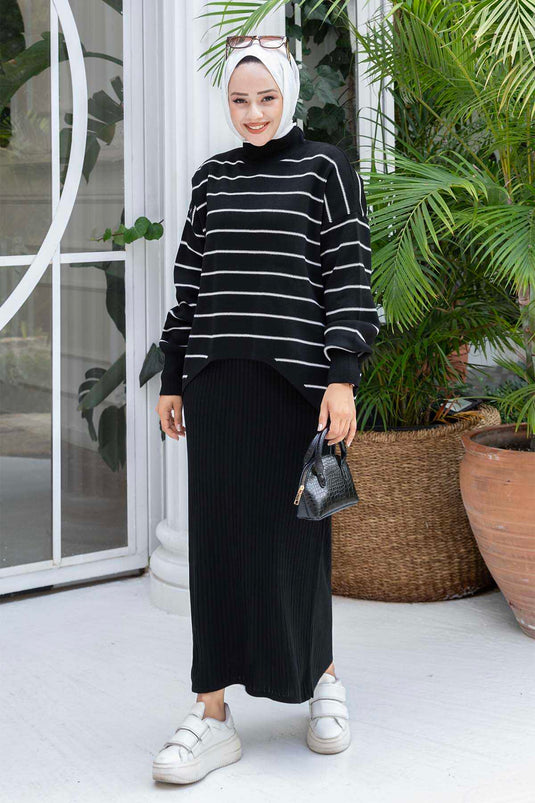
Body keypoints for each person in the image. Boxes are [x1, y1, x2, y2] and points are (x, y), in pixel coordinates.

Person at [153, 35, 380, 785]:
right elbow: (191, 285)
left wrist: (342, 378)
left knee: (298, 541)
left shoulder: (326, 169)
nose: (253, 113)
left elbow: (348, 275)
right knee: (218, 547)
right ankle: (211, 713)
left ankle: (323, 679)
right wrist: (173, 376)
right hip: (218, 385)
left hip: (298, 392)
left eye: (267, 98)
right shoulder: (211, 178)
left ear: (289, 96)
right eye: (239, 100)